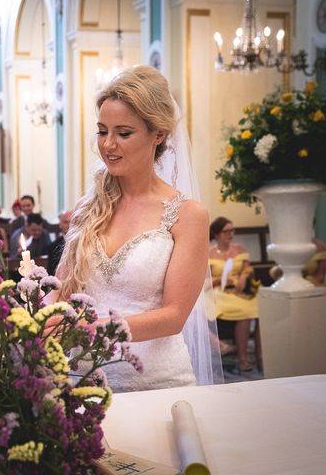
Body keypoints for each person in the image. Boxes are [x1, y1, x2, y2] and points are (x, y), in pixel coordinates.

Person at [48, 65, 221, 392]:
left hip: (155, 383)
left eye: (123, 133)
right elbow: (63, 289)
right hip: (82, 382)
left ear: (158, 135)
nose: (108, 145)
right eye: (102, 131)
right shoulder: (89, 207)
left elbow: (173, 316)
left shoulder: (187, 215)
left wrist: (89, 329)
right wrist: (38, 320)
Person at [208, 217, 260, 373]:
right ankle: (239, 356)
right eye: (226, 231)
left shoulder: (240, 249)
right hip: (219, 291)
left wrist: (243, 276)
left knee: (253, 309)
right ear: (217, 234)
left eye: (232, 230)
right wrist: (219, 280)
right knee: (242, 310)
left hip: (239, 290)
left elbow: (248, 268)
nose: (230, 234)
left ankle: (252, 357)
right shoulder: (209, 253)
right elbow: (205, 279)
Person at [47, 209, 72, 275]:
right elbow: (51, 272)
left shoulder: (82, 243)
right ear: (60, 225)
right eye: (66, 222)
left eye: (72, 222)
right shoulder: (53, 247)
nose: (70, 225)